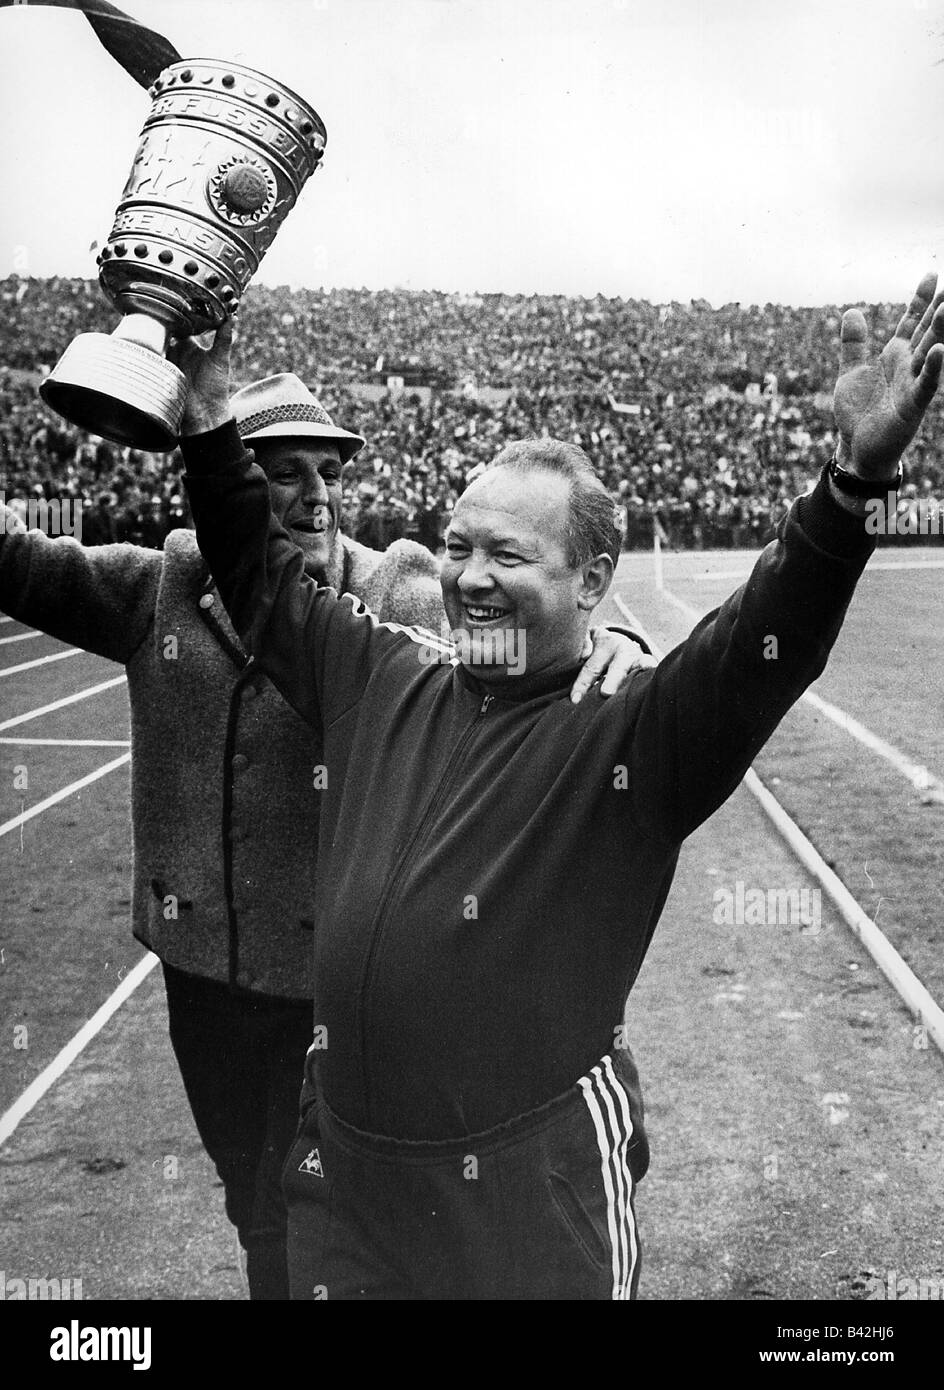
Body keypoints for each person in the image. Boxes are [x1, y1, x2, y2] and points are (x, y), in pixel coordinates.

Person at [179, 274, 944, 1300]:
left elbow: (761, 647)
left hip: (527, 1190)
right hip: (350, 1170)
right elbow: (259, 576)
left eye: (508, 554)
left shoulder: (629, 729)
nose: (469, 577)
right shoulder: (380, 674)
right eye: (455, 547)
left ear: (591, 579)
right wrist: (207, 417)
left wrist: (843, 492)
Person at [0, 365, 649, 1300]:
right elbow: (19, 565)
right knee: (247, 1198)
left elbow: (521, 621)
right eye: (286, 473)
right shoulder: (162, 589)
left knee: (291, 1217)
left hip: (334, 999)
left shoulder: (394, 588)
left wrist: (618, 647)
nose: (315, 496)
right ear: (233, 482)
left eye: (328, 473)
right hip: (206, 976)